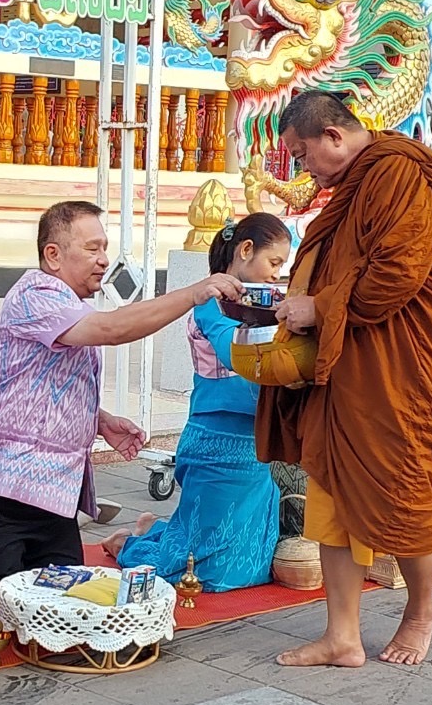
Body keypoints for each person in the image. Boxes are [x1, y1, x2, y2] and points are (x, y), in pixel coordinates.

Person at [257, 91, 432, 668]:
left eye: (302, 154)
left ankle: (420, 610)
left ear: (333, 137)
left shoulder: (397, 172)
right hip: (350, 366)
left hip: (404, 369)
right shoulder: (354, 185)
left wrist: (320, 309)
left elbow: (396, 276)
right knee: (331, 494)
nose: (302, 168)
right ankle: (343, 636)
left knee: (407, 493)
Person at [0, 201, 244, 588]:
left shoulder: (69, 304)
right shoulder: (35, 294)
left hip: (54, 491)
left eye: (104, 249)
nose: (103, 260)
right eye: (92, 248)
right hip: (1, 488)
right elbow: (112, 330)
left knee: (62, 599)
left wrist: (99, 420)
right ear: (53, 255)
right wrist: (193, 293)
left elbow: (41, 385)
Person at [101, 213, 291, 590]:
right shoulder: (211, 301)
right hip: (214, 441)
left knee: (252, 569)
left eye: (282, 266)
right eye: (274, 262)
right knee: (204, 575)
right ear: (245, 250)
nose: (276, 273)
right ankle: (130, 542)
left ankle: (159, 528)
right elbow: (231, 350)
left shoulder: (271, 303)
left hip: (255, 440)